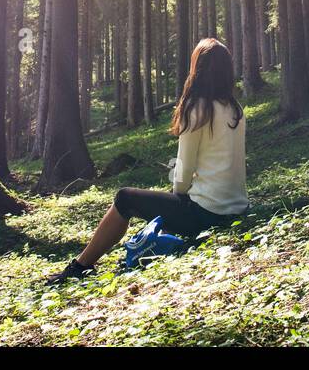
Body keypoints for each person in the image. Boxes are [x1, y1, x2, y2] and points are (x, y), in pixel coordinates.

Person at [46, 38, 249, 284]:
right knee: (164, 204)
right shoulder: (235, 110)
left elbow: (183, 174)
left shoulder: (197, 108)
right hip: (238, 209)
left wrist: (177, 192)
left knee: (125, 198)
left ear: (199, 69)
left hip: (206, 212)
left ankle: (79, 266)